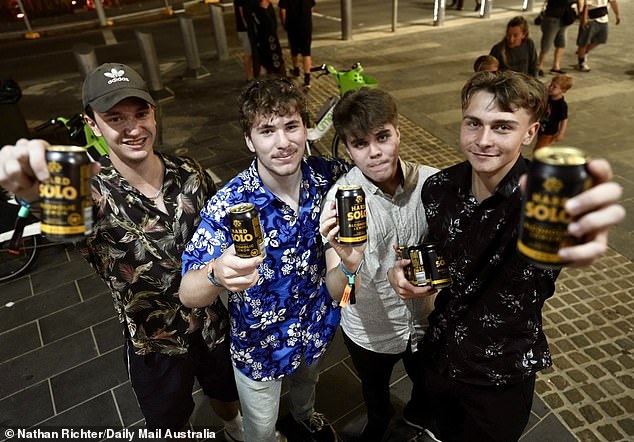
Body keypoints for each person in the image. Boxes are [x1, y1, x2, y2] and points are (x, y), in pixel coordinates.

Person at [0, 63, 244, 439]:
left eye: (141, 113)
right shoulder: (95, 191)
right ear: (93, 124)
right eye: (116, 118)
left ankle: (233, 427)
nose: (134, 129)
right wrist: (33, 189)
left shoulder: (189, 171)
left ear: (154, 113)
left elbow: (221, 229)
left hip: (213, 323)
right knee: (169, 419)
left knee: (227, 391)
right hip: (154, 344)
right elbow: (66, 218)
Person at [387, 70, 625, 442]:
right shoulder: (437, 189)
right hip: (441, 350)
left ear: (530, 133)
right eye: (473, 123)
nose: (483, 140)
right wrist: (406, 273)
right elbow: (440, 256)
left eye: (502, 127)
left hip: (500, 371)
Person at [179, 78, 348, 442]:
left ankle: (305, 415)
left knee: (308, 384)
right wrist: (215, 274)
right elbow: (187, 293)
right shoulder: (230, 204)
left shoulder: (329, 176)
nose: (283, 142)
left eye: (292, 126)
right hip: (261, 345)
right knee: (260, 428)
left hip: (316, 325)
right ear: (248, 140)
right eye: (267, 130)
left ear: (306, 128)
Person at [319, 88, 438, 442]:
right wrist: (349, 265)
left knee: (427, 384)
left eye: (383, 137)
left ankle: (418, 416)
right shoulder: (339, 201)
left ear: (398, 131)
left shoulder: (434, 183)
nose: (374, 152)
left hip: (427, 322)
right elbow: (335, 293)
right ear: (347, 146)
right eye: (359, 143)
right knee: (374, 390)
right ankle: (380, 418)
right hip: (369, 330)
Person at [575, 0, 621, 72]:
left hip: (603, 17)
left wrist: (617, 14)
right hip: (591, 18)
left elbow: (613, 2)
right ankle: (581, 62)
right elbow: (586, 5)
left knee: (601, 39)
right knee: (584, 41)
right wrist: (584, 19)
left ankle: (583, 52)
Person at [279, 0, 315, 87]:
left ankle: (296, 70)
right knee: (306, 52)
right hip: (306, 26)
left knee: (294, 49)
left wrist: (284, 24)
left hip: (292, 25)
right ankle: (307, 78)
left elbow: (283, 10)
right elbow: (311, 8)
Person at [537, 0, 576, 76]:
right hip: (552, 18)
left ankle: (556, 66)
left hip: (564, 18)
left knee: (561, 44)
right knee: (546, 44)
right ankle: (539, 66)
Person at [534, 73, 573, 150]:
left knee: (539, 150)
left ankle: (539, 161)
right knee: (542, 146)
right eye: (550, 85)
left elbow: (564, 119)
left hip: (550, 132)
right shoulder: (548, 97)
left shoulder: (561, 105)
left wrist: (561, 133)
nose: (550, 88)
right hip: (542, 128)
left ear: (563, 90)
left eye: (554, 87)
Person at [248, 0, 286, 77]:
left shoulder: (262, 9)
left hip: (265, 42)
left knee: (267, 64)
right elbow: (270, 28)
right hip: (269, 43)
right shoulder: (261, 11)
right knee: (273, 64)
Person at [234, 0, 255, 81]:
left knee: (251, 52)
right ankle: (249, 76)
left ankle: (252, 73)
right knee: (248, 52)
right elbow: (241, 10)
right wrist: (247, 24)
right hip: (244, 29)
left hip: (250, 28)